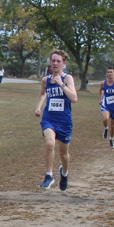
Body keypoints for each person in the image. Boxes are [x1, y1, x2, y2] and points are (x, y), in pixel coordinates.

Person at [34, 50, 77, 190]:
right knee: (50, 143)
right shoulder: (45, 80)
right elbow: (43, 93)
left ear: (64, 63)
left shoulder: (67, 78)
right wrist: (38, 107)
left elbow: (74, 98)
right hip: (49, 118)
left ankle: (64, 173)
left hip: (64, 121)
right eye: (53, 60)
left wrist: (61, 84)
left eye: (58, 61)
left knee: (64, 154)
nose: (55, 63)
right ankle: (49, 176)